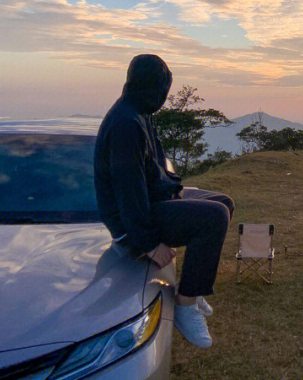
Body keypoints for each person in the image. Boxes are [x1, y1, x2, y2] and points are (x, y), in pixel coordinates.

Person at [94, 54, 233, 348]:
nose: (163, 98)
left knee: (224, 203)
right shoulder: (126, 124)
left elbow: (151, 172)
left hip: (153, 202)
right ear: (149, 88)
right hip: (135, 222)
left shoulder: (139, 113)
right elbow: (127, 192)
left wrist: (175, 191)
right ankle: (185, 305)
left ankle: (192, 288)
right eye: (162, 90)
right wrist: (148, 244)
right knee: (214, 217)